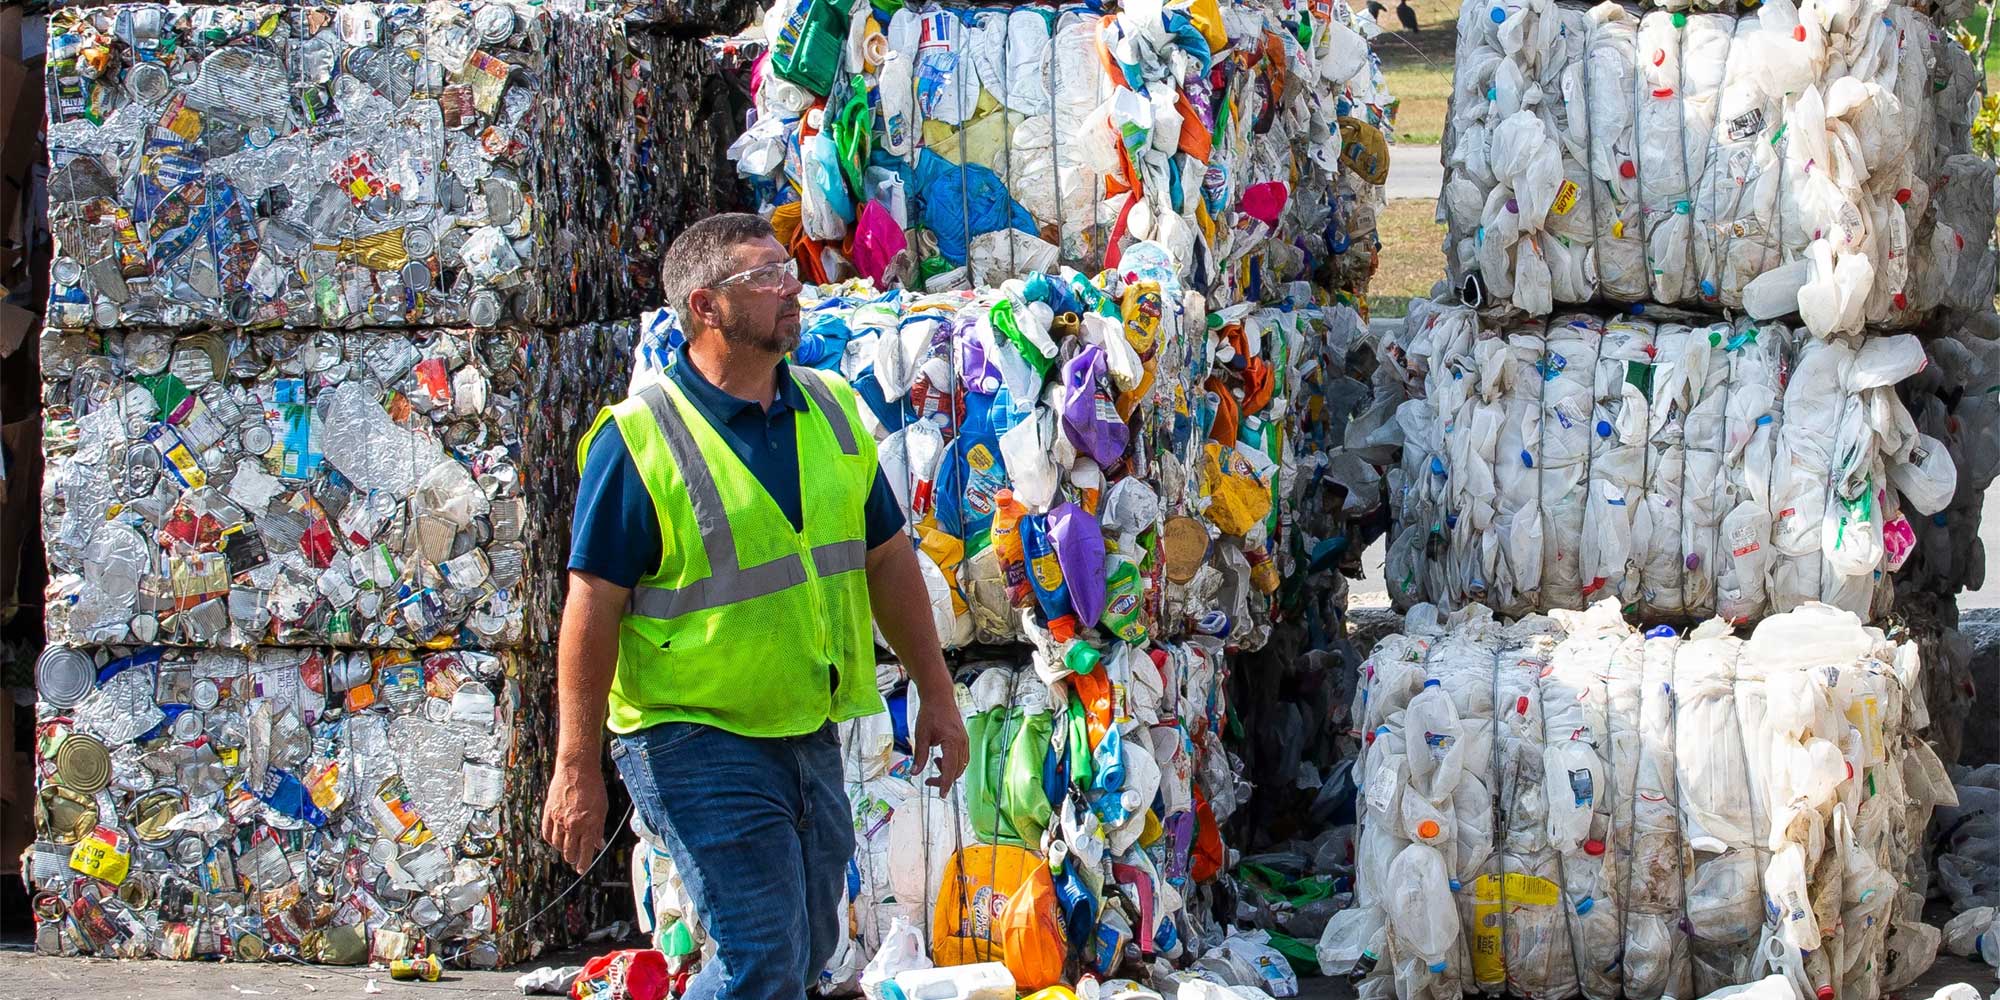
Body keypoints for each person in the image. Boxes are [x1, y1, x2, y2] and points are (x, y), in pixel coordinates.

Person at [539, 213, 970, 1000]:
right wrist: (577, 767)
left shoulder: (833, 410)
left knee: (808, 950)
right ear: (706, 307)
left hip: (805, 725)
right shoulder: (638, 440)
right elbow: (591, 604)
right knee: (762, 956)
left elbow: (887, 559)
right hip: (691, 735)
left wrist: (937, 693)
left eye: (788, 272)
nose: (791, 288)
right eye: (765, 278)